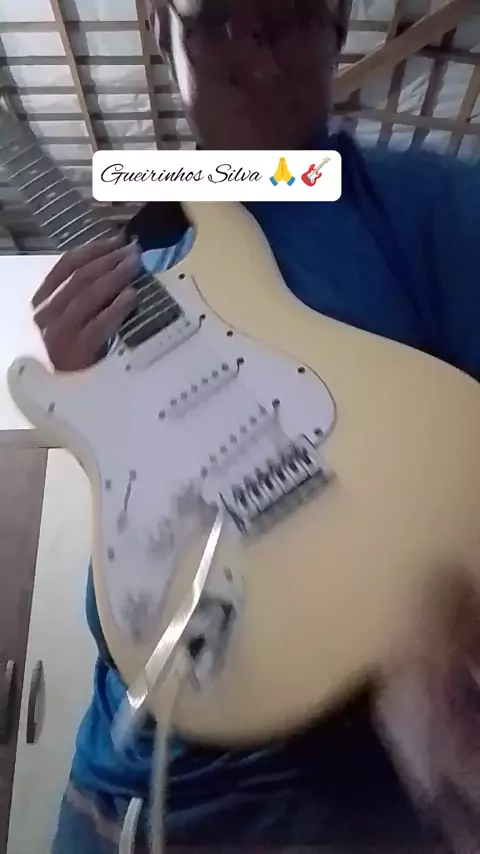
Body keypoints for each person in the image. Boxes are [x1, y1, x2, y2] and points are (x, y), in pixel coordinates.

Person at [32, 0, 480, 851]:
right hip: (112, 791)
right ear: (161, 29)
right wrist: (83, 389)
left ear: (338, 25)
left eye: (293, 20)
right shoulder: (142, 248)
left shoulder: (434, 202)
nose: (263, 61)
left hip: (345, 799)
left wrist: (442, 627)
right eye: (221, 22)